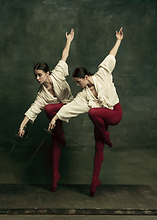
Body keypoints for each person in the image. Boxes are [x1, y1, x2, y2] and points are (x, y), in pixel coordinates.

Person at [48, 27, 123, 196]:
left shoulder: (102, 72)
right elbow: (71, 107)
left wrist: (118, 40)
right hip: (101, 121)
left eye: (78, 81)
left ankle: (105, 136)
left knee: (92, 112)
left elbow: (111, 56)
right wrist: (55, 118)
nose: (77, 85)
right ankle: (94, 183)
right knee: (98, 147)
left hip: (114, 113)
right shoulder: (84, 96)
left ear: (86, 77)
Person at [18, 29, 74, 192]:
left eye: (40, 75)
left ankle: (60, 136)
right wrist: (22, 126)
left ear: (48, 73)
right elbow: (33, 109)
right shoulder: (41, 93)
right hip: (56, 117)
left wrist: (69, 40)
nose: (37, 79)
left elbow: (64, 56)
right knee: (54, 141)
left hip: (68, 107)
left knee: (49, 108)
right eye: (35, 76)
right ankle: (55, 177)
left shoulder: (58, 73)